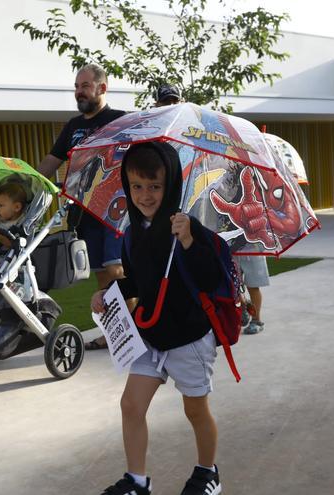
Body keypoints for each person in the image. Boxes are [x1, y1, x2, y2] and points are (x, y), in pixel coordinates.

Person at [91, 142, 223, 495]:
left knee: (195, 410)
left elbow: (210, 278)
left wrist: (190, 240)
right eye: (136, 186)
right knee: (131, 405)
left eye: (155, 186)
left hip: (189, 338)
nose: (145, 195)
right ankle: (137, 481)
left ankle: (208, 473)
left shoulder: (186, 225)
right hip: (149, 335)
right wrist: (109, 292)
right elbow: (135, 281)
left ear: (171, 186)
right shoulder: (133, 231)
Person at [38, 63, 127, 351]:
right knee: (101, 274)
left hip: (115, 211)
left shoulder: (121, 121)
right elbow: (52, 162)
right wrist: (30, 186)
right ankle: (114, 334)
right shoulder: (73, 127)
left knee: (116, 270)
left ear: (102, 88)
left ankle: (136, 330)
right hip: (84, 212)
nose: (79, 92)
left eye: (85, 86)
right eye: (76, 86)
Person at [237, 256, 269, 334]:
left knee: (253, 286)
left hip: (253, 252)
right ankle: (243, 305)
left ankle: (256, 321)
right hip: (231, 250)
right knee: (233, 285)